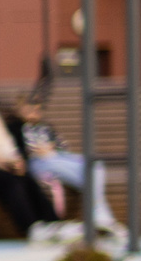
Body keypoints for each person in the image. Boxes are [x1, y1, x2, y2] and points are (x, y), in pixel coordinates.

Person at [16, 96, 121, 241]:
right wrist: (35, 151)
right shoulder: (16, 128)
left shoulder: (46, 127)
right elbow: (18, 151)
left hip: (57, 157)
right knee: (88, 177)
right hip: (38, 162)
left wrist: (51, 148)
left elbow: (63, 147)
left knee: (95, 164)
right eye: (28, 108)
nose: (33, 112)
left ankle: (101, 218)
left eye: (36, 108)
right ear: (19, 109)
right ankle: (102, 217)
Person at [0, 80, 56, 235]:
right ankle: (32, 228)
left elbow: (1, 138)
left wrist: (14, 158)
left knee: (25, 178)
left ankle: (53, 223)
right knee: (11, 183)